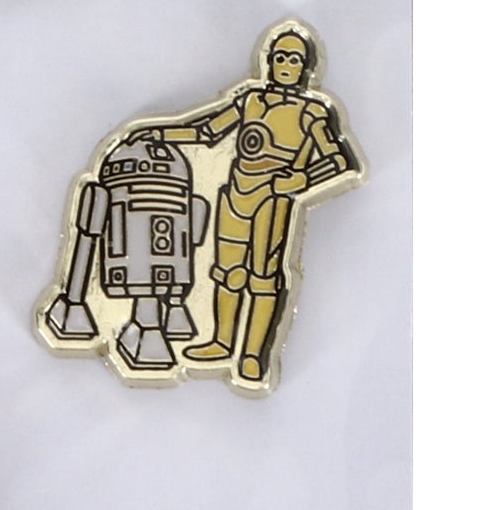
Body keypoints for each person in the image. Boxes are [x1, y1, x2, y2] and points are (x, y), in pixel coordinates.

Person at [142, 25, 360, 385]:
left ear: (306, 67)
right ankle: (222, 342)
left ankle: (254, 357)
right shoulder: (251, 100)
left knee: (263, 278)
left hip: (272, 202)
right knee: (227, 273)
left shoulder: (311, 112)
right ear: (268, 61)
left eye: (294, 59)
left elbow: (340, 160)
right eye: (280, 57)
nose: (285, 65)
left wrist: (302, 179)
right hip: (236, 195)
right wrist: (161, 134)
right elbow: (208, 132)